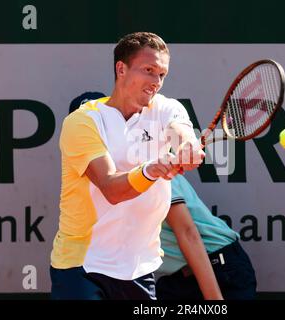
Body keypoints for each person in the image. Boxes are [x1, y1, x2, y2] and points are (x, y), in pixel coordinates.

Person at [50, 32, 205, 300]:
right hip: (83, 267)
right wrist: (150, 170)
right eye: (148, 71)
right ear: (120, 69)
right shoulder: (82, 122)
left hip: (139, 269)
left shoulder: (166, 108)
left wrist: (187, 146)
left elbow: (180, 131)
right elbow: (111, 188)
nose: (156, 82)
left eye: (162, 74)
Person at [156, 175, 257, 300]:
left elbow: (188, 233)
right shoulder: (128, 176)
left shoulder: (154, 171)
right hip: (178, 279)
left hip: (219, 269)